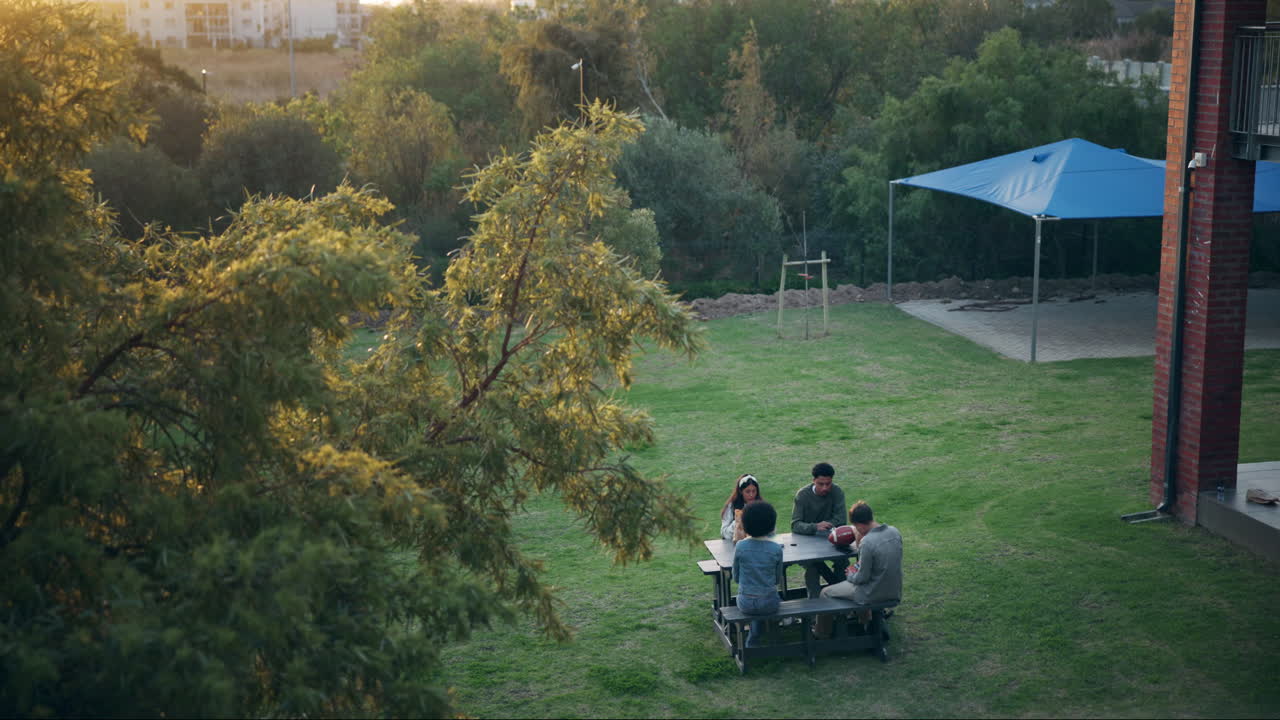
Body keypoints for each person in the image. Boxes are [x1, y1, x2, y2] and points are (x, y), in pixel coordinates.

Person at [816, 501, 903, 638]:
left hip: (872, 593)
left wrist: (850, 574)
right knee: (856, 585)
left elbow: (862, 578)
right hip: (894, 590)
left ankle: (821, 633)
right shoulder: (894, 532)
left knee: (824, 593)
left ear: (860, 525)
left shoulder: (867, 542)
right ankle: (865, 624)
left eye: (856, 527)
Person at [790, 462, 848, 597]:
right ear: (813, 480)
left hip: (831, 539)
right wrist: (815, 526)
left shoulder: (837, 492)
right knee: (812, 567)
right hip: (807, 542)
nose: (825, 488)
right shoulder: (802, 495)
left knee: (842, 561)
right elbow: (795, 524)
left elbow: (841, 519)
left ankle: (842, 597)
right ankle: (814, 602)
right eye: (821, 484)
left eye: (828, 484)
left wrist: (827, 525)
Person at [732, 501, 783, 648]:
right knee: (772, 597)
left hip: (745, 603)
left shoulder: (740, 546)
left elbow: (736, 576)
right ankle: (772, 635)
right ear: (771, 525)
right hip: (769, 603)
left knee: (754, 601)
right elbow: (777, 579)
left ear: (745, 524)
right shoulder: (776, 549)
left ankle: (754, 635)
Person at [720, 474, 762, 541]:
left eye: (754, 491)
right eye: (747, 491)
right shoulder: (731, 506)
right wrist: (738, 522)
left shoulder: (762, 506)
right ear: (741, 491)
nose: (751, 495)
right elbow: (724, 533)